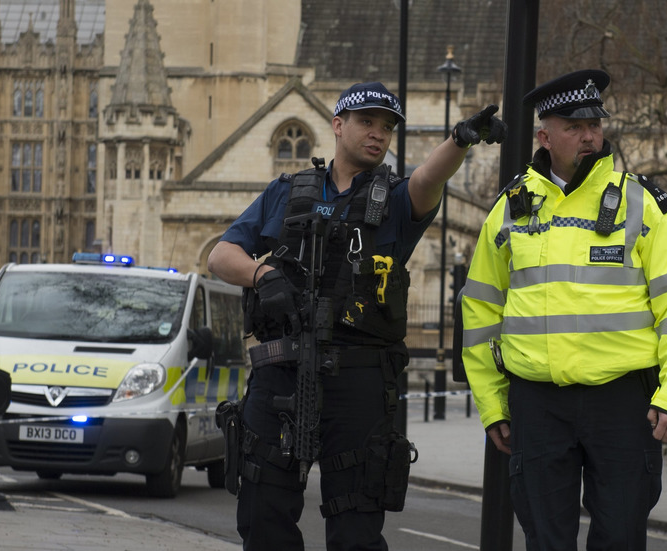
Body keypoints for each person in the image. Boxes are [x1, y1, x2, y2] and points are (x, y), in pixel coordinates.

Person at [207, 81, 506, 551]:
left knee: (355, 525)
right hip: (281, 370)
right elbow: (221, 255)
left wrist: (460, 140)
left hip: (359, 381)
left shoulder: (397, 201)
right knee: (264, 512)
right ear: (338, 125)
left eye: (387, 127)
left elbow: (428, 180)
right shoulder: (285, 192)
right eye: (367, 122)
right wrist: (263, 274)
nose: (378, 134)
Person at [460, 69, 667, 550]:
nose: (589, 136)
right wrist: (493, 405)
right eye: (573, 126)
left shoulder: (643, 203)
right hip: (536, 403)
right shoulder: (510, 209)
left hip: (622, 403)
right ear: (545, 136)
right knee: (545, 539)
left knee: (620, 536)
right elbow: (480, 314)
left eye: (594, 124)